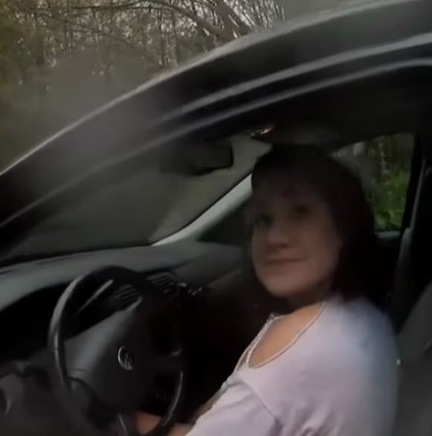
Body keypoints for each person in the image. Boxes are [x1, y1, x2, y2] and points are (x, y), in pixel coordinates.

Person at [136, 145, 398, 435]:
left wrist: (117, 418)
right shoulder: (366, 317)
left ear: (343, 228)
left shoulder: (301, 343)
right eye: (262, 219)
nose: (274, 237)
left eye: (300, 212)